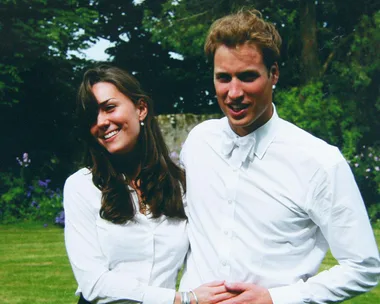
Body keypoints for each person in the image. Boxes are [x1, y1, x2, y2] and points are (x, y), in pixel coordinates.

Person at [179, 9, 380, 304]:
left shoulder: (320, 162)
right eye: (223, 78)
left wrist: (276, 298)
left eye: (248, 77)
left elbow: (364, 266)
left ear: (274, 74)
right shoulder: (198, 142)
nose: (233, 92)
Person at [63, 65, 237, 304]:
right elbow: (93, 283)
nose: (101, 121)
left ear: (141, 109)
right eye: (92, 115)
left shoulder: (180, 185)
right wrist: (181, 300)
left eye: (109, 108)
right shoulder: (82, 187)